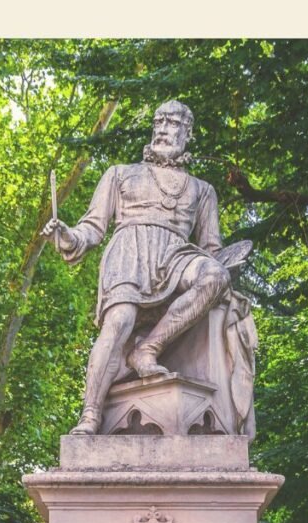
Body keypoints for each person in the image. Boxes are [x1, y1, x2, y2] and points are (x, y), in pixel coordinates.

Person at [42, 100, 234, 435]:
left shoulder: (203, 191)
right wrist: (68, 236)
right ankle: (90, 414)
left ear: (187, 133)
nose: (162, 129)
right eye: (158, 122)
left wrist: (229, 273)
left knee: (215, 275)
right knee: (119, 321)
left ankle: (148, 348)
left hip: (176, 256)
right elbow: (92, 228)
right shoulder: (120, 173)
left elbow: (212, 251)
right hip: (129, 253)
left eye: (172, 123)